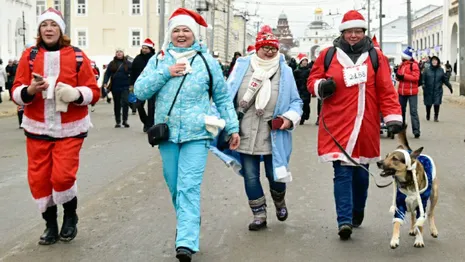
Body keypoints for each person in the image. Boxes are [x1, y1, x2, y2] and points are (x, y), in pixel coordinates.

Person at [134, 8, 240, 262]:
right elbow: (140, 90)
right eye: (177, 30)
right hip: (167, 135)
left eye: (186, 30)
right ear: (171, 34)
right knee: (174, 186)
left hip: (197, 134)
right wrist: (166, 72)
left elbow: (223, 97)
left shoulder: (207, 61)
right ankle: (189, 220)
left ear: (194, 34)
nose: (181, 35)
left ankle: (186, 241)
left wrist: (232, 127)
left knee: (188, 186)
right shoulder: (159, 59)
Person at [307, 10, 402, 240]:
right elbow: (311, 80)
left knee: (360, 177)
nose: (353, 35)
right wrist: (321, 86)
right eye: (349, 31)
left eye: (357, 31)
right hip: (337, 123)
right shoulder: (328, 55)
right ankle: (344, 221)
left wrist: (392, 117)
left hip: (365, 125)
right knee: (342, 172)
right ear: (343, 32)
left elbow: (386, 90)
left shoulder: (375, 56)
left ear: (364, 32)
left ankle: (357, 211)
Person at [10, 8, 100, 245]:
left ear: (61, 30)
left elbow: (93, 91)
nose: (49, 29)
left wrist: (75, 94)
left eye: (53, 25)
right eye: (44, 25)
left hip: (69, 129)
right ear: (39, 31)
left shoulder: (78, 56)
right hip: (37, 128)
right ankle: (51, 225)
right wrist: (29, 91)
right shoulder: (29, 55)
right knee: (39, 181)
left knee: (62, 177)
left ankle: (70, 216)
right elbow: (16, 89)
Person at [226, 25, 302, 231]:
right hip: (244, 132)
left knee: (274, 175)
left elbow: (297, 102)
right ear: (257, 47)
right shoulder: (242, 67)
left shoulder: (285, 71)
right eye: (265, 47)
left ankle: (279, 201)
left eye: (273, 48)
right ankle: (259, 214)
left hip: (273, 133)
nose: (269, 51)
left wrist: (287, 119)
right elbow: (226, 96)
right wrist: (225, 123)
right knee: (250, 176)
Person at [130, 38, 156, 132]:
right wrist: (131, 84)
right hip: (140, 85)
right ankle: (146, 122)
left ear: (150, 49)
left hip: (152, 85)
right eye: (143, 48)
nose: (144, 50)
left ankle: (150, 125)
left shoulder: (155, 58)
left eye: (146, 48)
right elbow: (132, 72)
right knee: (139, 105)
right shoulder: (137, 58)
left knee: (152, 107)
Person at [103, 48, 132, 128]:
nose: (119, 53)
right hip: (115, 87)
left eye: (121, 52)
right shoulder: (112, 63)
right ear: (115, 54)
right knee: (117, 104)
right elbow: (107, 73)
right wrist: (105, 82)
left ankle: (125, 120)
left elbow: (132, 73)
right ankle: (118, 121)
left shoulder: (128, 63)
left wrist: (132, 83)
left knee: (125, 102)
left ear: (123, 53)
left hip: (125, 86)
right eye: (117, 52)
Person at [396, 47, 421, 138]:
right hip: (402, 92)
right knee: (401, 111)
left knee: (413, 111)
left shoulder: (414, 65)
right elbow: (399, 78)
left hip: (412, 92)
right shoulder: (401, 65)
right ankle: (401, 129)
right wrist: (398, 76)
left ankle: (416, 130)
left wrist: (403, 76)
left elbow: (416, 78)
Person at [421, 56, 453, 122]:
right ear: (431, 61)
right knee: (428, 104)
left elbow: (445, 80)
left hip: (437, 90)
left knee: (437, 103)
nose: (434, 62)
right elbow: (423, 79)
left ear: (438, 61)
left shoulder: (441, 70)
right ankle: (428, 114)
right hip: (428, 90)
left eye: (435, 60)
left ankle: (436, 116)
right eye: (433, 60)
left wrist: (450, 87)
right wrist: (423, 84)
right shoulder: (427, 70)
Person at [293, 53, 312, 125]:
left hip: (307, 90)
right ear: (301, 62)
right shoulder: (296, 71)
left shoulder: (309, 71)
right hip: (299, 90)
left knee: (306, 104)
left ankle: (306, 115)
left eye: (306, 61)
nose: (305, 62)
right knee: (300, 104)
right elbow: (293, 81)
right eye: (303, 61)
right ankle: (301, 117)